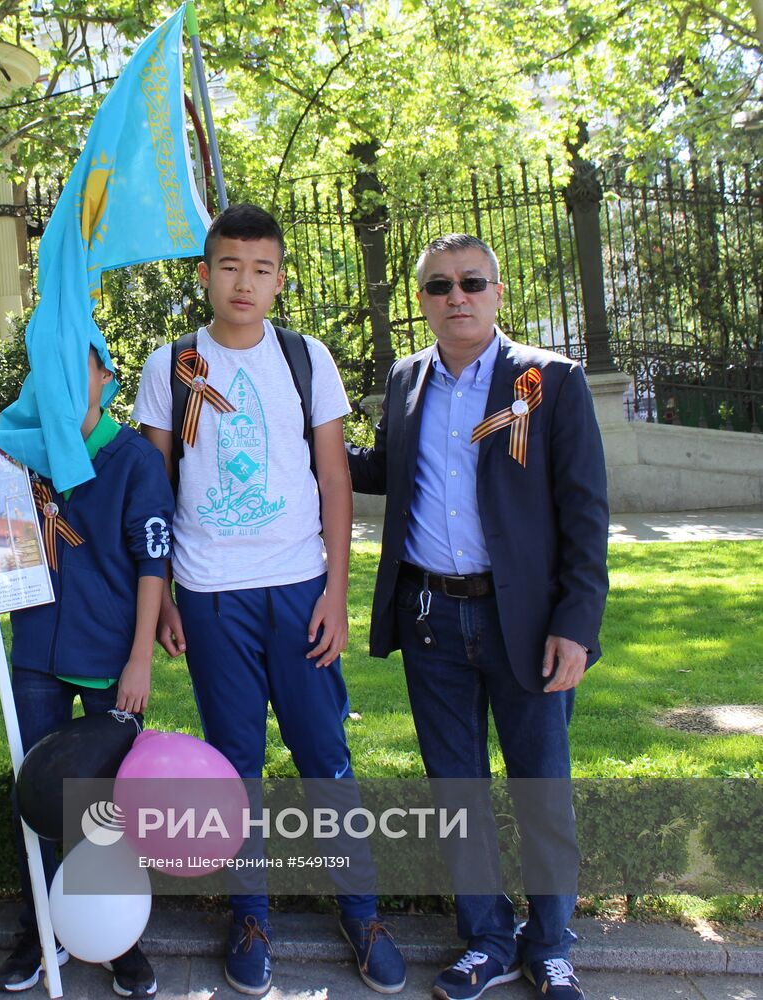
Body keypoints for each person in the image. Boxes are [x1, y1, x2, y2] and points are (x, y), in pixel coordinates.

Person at [132, 204, 406, 997]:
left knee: (325, 757)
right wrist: (169, 601)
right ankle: (249, 916)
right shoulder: (172, 364)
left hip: (298, 590)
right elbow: (155, 491)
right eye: (228, 266)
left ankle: (362, 911)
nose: (243, 282)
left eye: (260, 268)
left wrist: (336, 592)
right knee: (234, 767)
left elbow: (334, 478)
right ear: (205, 273)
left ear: (280, 279)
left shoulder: (304, 357)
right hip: (212, 595)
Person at [346, 233, 609, 1000]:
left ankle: (551, 942)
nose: (455, 296)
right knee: (455, 790)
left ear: (497, 292)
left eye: (471, 282)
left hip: (525, 623)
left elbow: (586, 512)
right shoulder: (406, 379)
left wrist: (577, 623)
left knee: (541, 787)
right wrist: (306, 431)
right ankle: (487, 940)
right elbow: (384, 469)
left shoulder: (548, 381)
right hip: (431, 615)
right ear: (422, 300)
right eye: (438, 286)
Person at [0, 347, 172, 999]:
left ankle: (119, 936)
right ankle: (38, 927)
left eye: (80, 369)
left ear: (106, 376)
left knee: (109, 804)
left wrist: (139, 658)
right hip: (37, 647)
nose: (67, 384)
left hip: (108, 657)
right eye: (53, 373)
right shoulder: (21, 454)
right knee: (34, 795)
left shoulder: (135, 460)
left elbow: (153, 562)